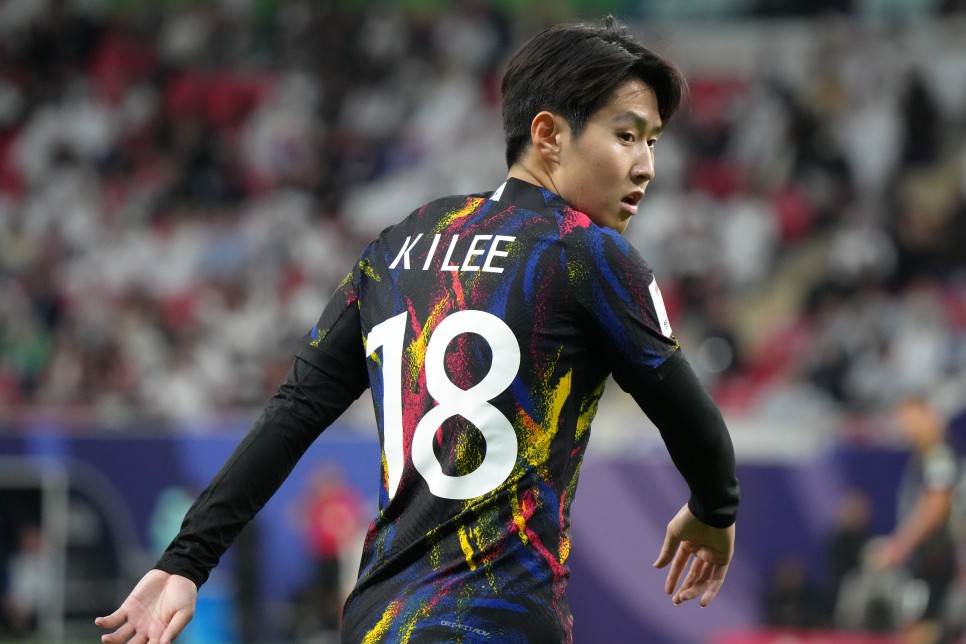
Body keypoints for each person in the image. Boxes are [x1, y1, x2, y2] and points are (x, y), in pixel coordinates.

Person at [96, 16, 740, 644]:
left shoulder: (398, 244)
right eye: (627, 136)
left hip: (381, 621)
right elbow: (695, 425)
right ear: (548, 134)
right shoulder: (587, 253)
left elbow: (293, 413)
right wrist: (715, 510)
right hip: (499, 622)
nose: (646, 166)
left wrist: (186, 560)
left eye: (652, 141)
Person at [873, 395, 958, 644]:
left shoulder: (938, 455)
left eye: (909, 420)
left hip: (932, 557)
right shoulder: (925, 457)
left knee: (918, 627)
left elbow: (936, 507)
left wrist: (900, 545)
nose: (905, 428)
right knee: (917, 624)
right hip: (926, 558)